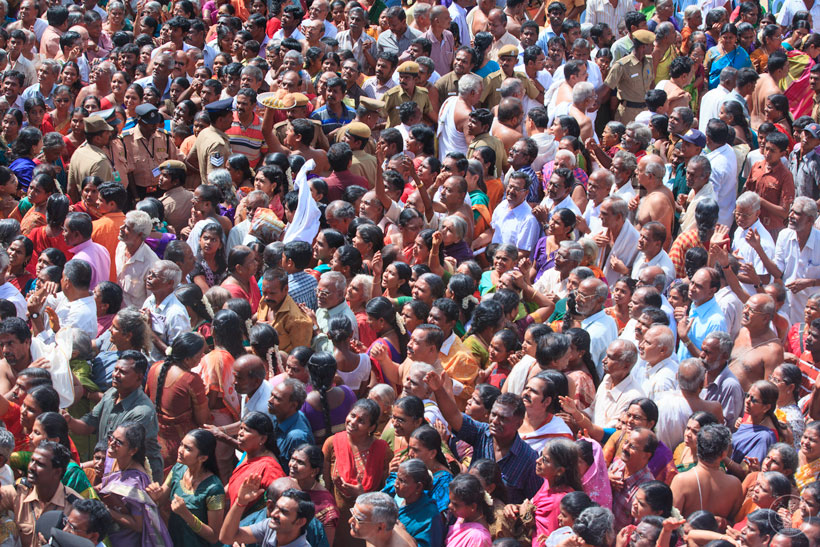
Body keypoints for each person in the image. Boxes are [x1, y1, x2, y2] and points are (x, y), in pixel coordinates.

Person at [63, 351, 163, 482]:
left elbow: (118, 452)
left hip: (135, 477)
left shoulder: (142, 412)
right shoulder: (111, 394)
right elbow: (88, 425)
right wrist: (68, 420)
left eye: (123, 372)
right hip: (111, 468)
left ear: (139, 378)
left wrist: (80, 466)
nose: (116, 374)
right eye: (115, 369)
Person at [322, 399, 392, 545]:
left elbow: (387, 492)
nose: (353, 422)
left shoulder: (382, 450)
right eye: (352, 415)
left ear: (371, 427)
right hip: (337, 521)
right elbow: (326, 487)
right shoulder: (332, 443)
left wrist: (362, 495)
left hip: (367, 524)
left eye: (361, 421)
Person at [145, 429, 225, 546]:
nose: (180, 450)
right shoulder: (178, 469)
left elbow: (213, 537)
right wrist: (155, 495)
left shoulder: (214, 489)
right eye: (181, 444)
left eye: (188, 449)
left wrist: (186, 515)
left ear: (202, 458)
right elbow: (160, 501)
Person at [98, 422, 172, 546]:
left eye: (118, 442)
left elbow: (139, 525)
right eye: (111, 437)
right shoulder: (112, 457)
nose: (111, 443)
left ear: (132, 450)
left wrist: (107, 511)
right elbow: (109, 483)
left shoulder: (135, 481)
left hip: (125, 540)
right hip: (108, 532)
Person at [144, 332, 209, 469]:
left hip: (153, 438)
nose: (202, 357)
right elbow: (202, 419)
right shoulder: (191, 380)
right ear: (187, 359)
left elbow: (147, 399)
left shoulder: (155, 367)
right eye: (199, 355)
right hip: (179, 446)